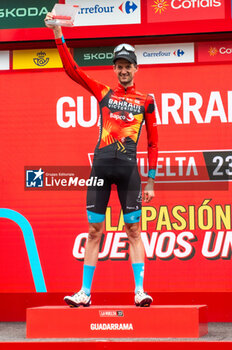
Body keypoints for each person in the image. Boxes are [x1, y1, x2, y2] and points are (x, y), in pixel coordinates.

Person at [45, 13, 158, 307]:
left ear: (136, 68)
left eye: (128, 65)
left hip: (129, 172)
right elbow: (73, 70)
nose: (124, 70)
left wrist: (152, 181)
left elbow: (154, 142)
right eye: (119, 66)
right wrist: (58, 33)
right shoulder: (103, 92)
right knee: (94, 231)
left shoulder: (146, 100)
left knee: (133, 230)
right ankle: (84, 294)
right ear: (114, 68)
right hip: (101, 169)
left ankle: (140, 291)